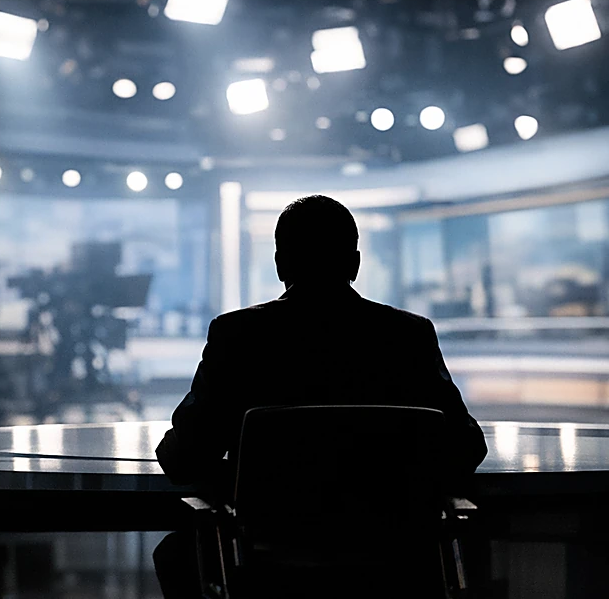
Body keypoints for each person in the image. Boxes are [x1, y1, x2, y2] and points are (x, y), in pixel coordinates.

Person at [152, 195, 488, 598]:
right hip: (395, 570)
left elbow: (183, 459)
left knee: (177, 552)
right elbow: (467, 447)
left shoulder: (238, 336)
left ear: (280, 264)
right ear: (355, 264)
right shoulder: (407, 336)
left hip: (268, 570)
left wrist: (249, 474)